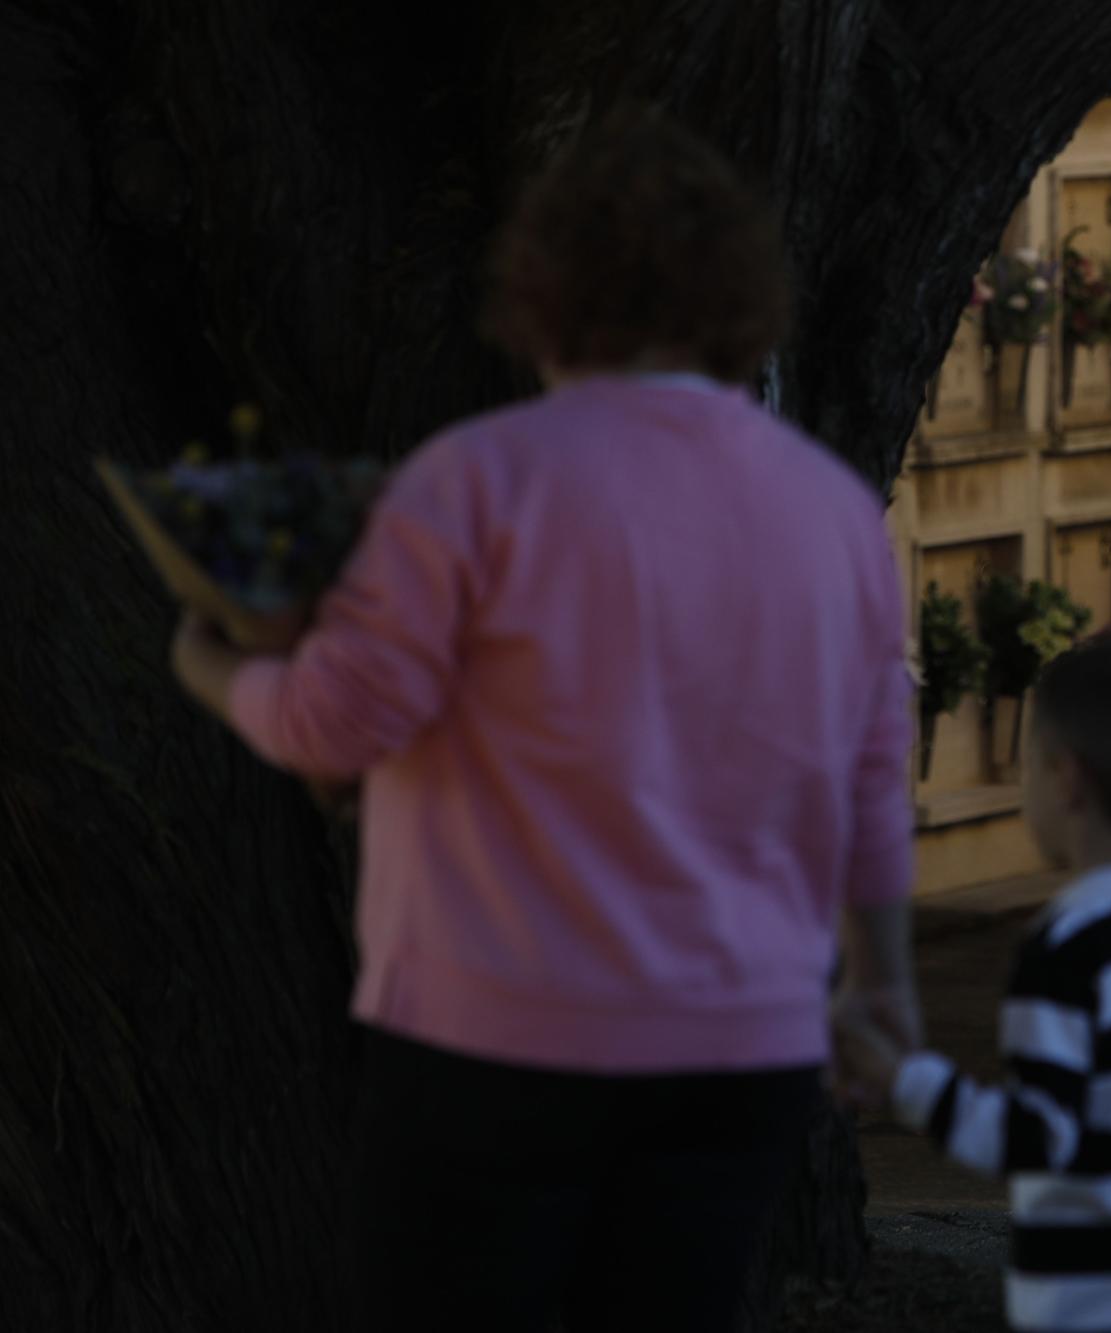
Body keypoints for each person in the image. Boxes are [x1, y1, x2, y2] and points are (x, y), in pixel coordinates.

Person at [169, 111, 918, 1331]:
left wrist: (209, 666)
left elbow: (333, 719)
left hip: (495, 1036)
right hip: (741, 1045)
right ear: (738, 293)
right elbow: (872, 777)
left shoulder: (478, 480)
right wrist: (884, 987)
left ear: (542, 290)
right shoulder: (828, 506)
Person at [835, 634, 1111, 1333]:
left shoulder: (1064, 951)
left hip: (1096, 1304)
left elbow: (1035, 1138)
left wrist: (903, 1080)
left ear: (1065, 779)